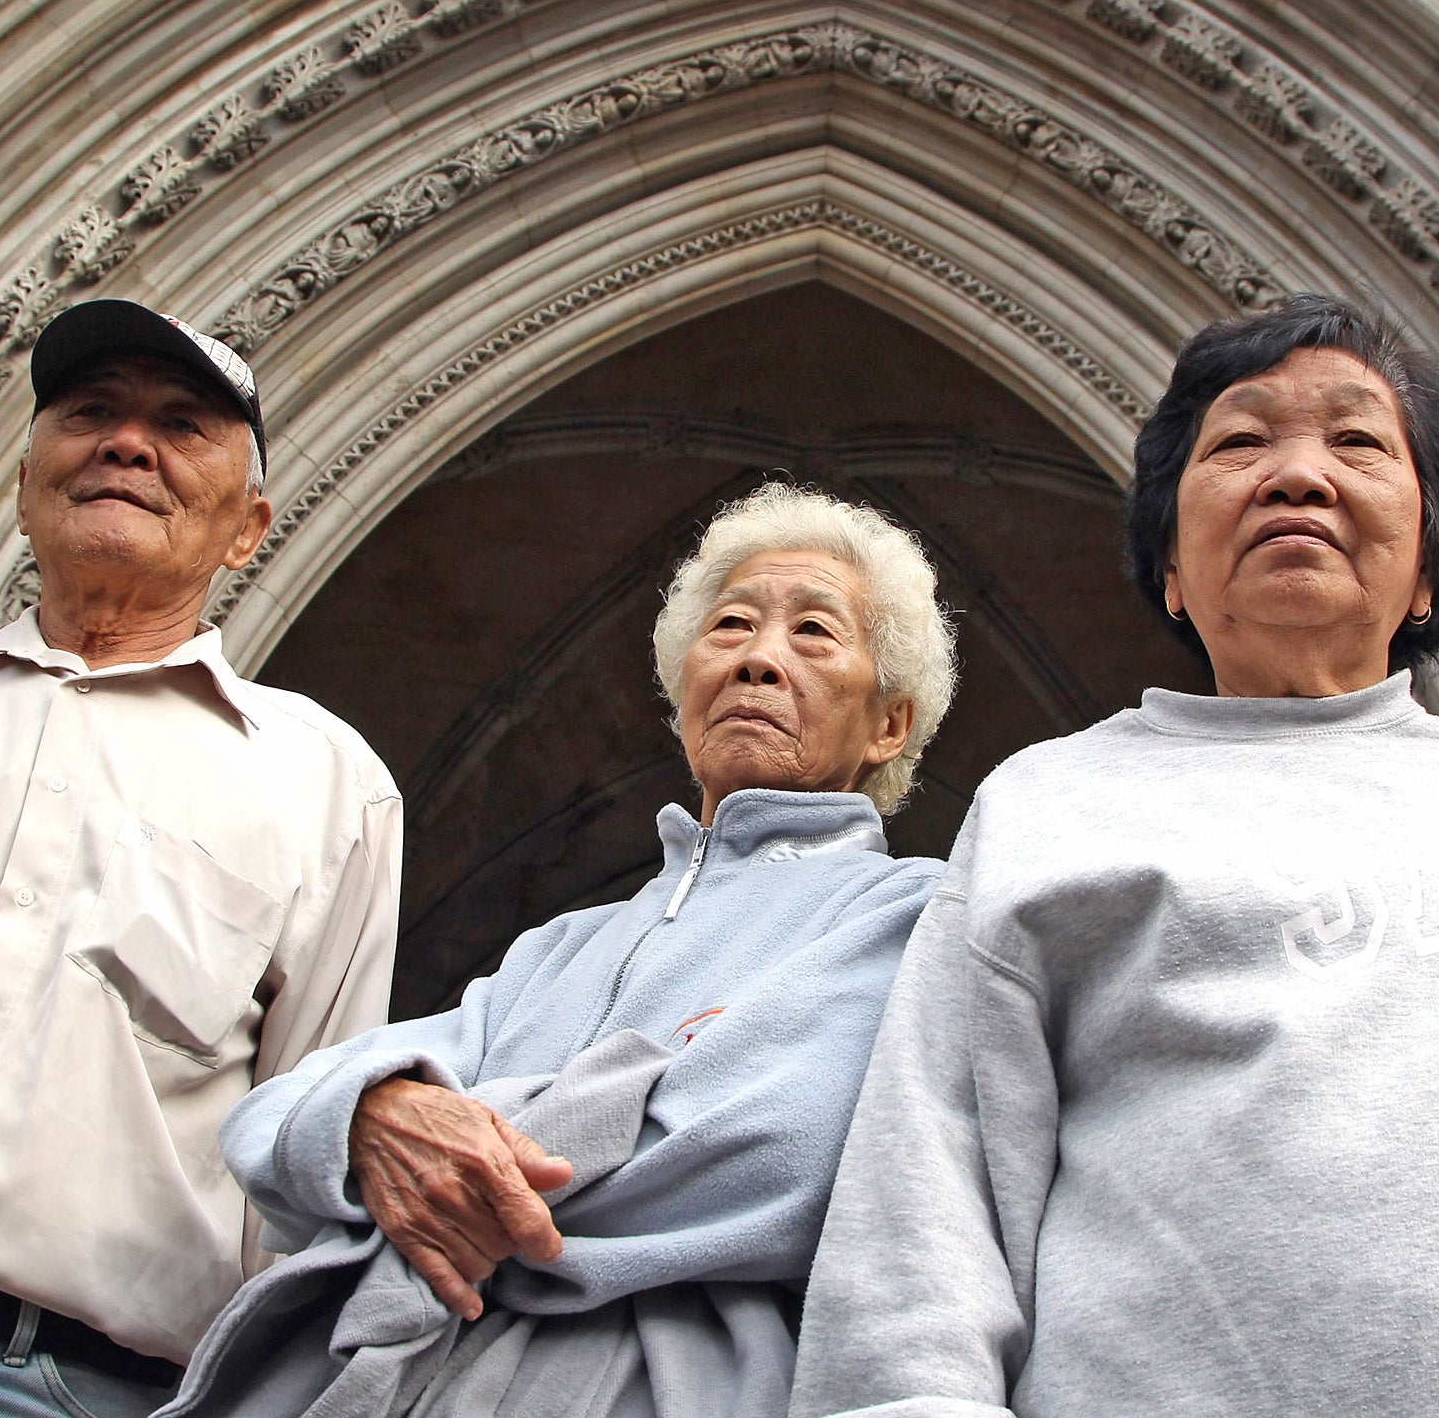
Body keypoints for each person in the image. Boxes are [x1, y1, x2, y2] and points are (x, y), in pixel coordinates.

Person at [789, 294, 1439, 1417]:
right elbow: (927, 1192)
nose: (1296, 476)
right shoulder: (1052, 803)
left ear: (1425, 569)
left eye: (1356, 440)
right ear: (1169, 565)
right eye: (1241, 441)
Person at [0, 301, 403, 1418]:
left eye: (182, 427)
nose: (127, 443)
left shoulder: (327, 785)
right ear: (25, 483)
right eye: (91, 412)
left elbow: (303, 1147)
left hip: (58, 1388)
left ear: (247, 528)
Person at [160, 482, 958, 1418]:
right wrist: (375, 1113)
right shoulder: (559, 945)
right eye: (732, 625)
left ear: (889, 724)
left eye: (814, 633)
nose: (758, 660)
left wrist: (445, 1147)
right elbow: (271, 1120)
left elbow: (773, 1156)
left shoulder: (911, 913)